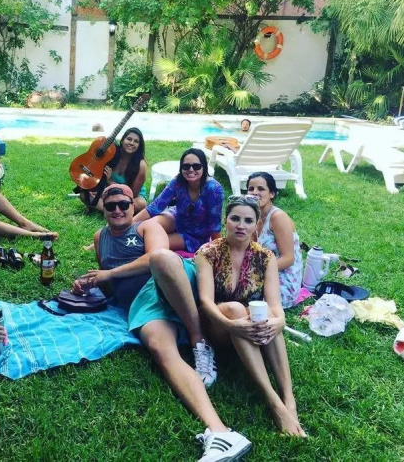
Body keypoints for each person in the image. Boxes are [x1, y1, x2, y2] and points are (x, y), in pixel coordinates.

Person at [74, 184, 252, 462]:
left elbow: (155, 259)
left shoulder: (147, 227)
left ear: (133, 206)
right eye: (111, 206)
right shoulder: (100, 237)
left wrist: (110, 274)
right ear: (104, 210)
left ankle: (198, 340)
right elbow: (108, 280)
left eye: (124, 204)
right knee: (160, 349)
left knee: (161, 259)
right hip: (143, 304)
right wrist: (92, 283)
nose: (118, 210)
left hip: (173, 281)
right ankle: (221, 433)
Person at [195, 195, 306, 437]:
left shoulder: (265, 257)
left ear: (256, 225)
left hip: (249, 331)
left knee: (268, 313)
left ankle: (289, 400)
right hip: (217, 325)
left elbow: (276, 306)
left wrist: (278, 321)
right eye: (235, 218)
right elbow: (205, 301)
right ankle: (273, 402)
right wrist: (231, 324)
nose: (241, 225)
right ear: (226, 220)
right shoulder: (207, 252)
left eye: (248, 220)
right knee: (236, 309)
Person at [133, 148, 223, 254]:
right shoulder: (178, 182)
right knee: (147, 226)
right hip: (177, 217)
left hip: (195, 235)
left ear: (204, 167)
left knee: (153, 243)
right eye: (186, 166)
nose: (191, 169)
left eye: (196, 166)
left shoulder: (213, 189)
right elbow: (155, 207)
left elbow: (214, 225)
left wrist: (219, 252)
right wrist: (129, 224)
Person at [246, 172, 303, 308]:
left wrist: (257, 272)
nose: (255, 192)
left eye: (261, 189)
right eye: (251, 189)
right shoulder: (253, 216)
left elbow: (288, 259)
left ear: (272, 193)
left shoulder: (277, 217)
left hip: (283, 279)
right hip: (263, 271)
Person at [80, 128, 148, 213]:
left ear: (139, 146)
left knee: (141, 203)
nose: (131, 143)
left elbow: (133, 194)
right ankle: (114, 210)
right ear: (122, 140)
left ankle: (106, 209)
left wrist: (110, 181)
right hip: (108, 192)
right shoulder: (111, 154)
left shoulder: (141, 164)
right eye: (129, 139)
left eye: (136, 141)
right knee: (84, 194)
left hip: (129, 197)